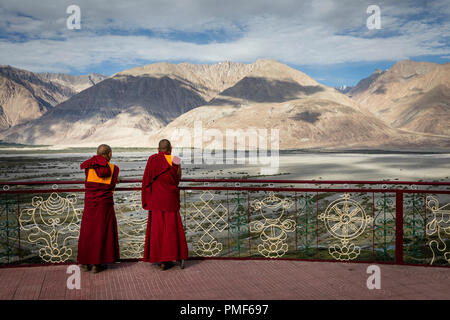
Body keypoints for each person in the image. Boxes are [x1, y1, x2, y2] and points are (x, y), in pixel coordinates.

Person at [141, 139, 188, 270]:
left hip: (156, 200)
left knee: (157, 230)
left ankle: (160, 260)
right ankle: (171, 257)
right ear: (171, 149)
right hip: (170, 199)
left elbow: (147, 180)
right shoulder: (176, 160)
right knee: (172, 229)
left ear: (158, 149)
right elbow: (178, 178)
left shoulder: (152, 160)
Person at [77, 144, 120, 273]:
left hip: (90, 204)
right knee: (102, 232)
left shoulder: (89, 167)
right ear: (109, 154)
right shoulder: (114, 168)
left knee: (87, 233)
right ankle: (97, 265)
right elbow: (111, 185)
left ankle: (84, 263)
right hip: (105, 204)